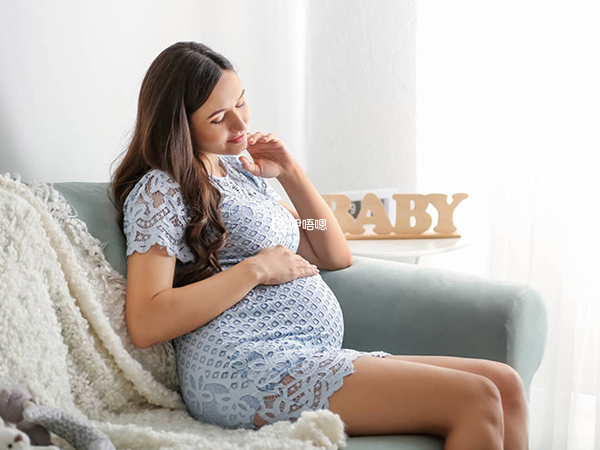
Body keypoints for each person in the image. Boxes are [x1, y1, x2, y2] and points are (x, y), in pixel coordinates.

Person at [110, 41, 529, 449]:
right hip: (242, 365)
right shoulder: (161, 191)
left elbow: (331, 250)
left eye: (241, 103)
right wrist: (253, 270)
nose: (240, 125)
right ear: (179, 125)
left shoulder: (239, 172)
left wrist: (290, 173)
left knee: (504, 384)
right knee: (476, 398)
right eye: (219, 118)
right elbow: (146, 321)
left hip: (304, 351)